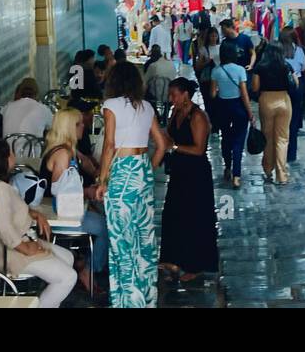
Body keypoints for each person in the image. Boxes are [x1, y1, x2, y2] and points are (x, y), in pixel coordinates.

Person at [97, 61, 169, 307]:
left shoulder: (111, 105)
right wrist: (148, 167)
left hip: (121, 172)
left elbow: (109, 145)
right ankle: (146, 299)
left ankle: (127, 301)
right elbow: (161, 144)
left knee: (121, 239)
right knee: (144, 237)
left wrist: (102, 179)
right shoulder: (147, 107)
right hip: (142, 171)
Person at [0, 139, 81, 307]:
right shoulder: (0, 191)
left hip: (11, 245)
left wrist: (35, 214)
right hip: (9, 253)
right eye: (10, 153)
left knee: (68, 258)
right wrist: (26, 248)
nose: (14, 155)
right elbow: (4, 228)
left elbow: (9, 211)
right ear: (3, 159)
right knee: (68, 277)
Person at [40, 108, 108, 290]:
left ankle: (84, 263)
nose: (84, 126)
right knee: (107, 227)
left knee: (103, 218)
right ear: (70, 127)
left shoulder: (66, 150)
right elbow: (63, 193)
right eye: (79, 124)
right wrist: (88, 192)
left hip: (62, 209)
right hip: (61, 214)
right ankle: (89, 269)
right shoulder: (63, 154)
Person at [159, 77, 218, 282]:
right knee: (173, 214)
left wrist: (174, 147)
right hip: (179, 171)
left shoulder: (197, 116)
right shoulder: (175, 112)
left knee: (194, 218)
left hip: (195, 173)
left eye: (174, 94)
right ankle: (173, 258)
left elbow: (199, 149)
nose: (171, 98)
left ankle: (196, 264)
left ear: (185, 94)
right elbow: (169, 135)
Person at [210, 40, 254, 188]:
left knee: (226, 138)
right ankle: (237, 176)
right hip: (239, 108)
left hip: (223, 107)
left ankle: (227, 168)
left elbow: (212, 94)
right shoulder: (240, 70)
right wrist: (250, 113)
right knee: (238, 141)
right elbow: (244, 94)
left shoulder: (216, 71)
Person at [250, 40, 294, 184]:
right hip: (284, 100)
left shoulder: (260, 67)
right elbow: (296, 84)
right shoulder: (286, 66)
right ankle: (281, 175)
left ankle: (268, 170)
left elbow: (255, 87)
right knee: (282, 139)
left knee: (267, 137)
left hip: (266, 100)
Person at [282, 25, 305, 163]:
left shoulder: (278, 51)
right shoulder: (299, 50)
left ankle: (281, 151)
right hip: (297, 85)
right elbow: (304, 66)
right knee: (294, 119)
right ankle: (291, 154)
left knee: (283, 120)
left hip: (282, 84)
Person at [194, 26, 222, 132]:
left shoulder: (221, 47)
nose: (214, 38)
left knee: (217, 103)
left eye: (215, 35)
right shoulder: (203, 50)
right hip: (206, 80)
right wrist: (207, 62)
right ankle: (212, 123)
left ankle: (216, 124)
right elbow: (198, 66)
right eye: (212, 36)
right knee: (208, 103)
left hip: (219, 79)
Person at [144, 45, 176, 121]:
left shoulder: (153, 66)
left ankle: (156, 115)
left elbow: (145, 82)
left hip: (155, 95)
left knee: (145, 95)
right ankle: (165, 113)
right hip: (169, 95)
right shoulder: (171, 64)